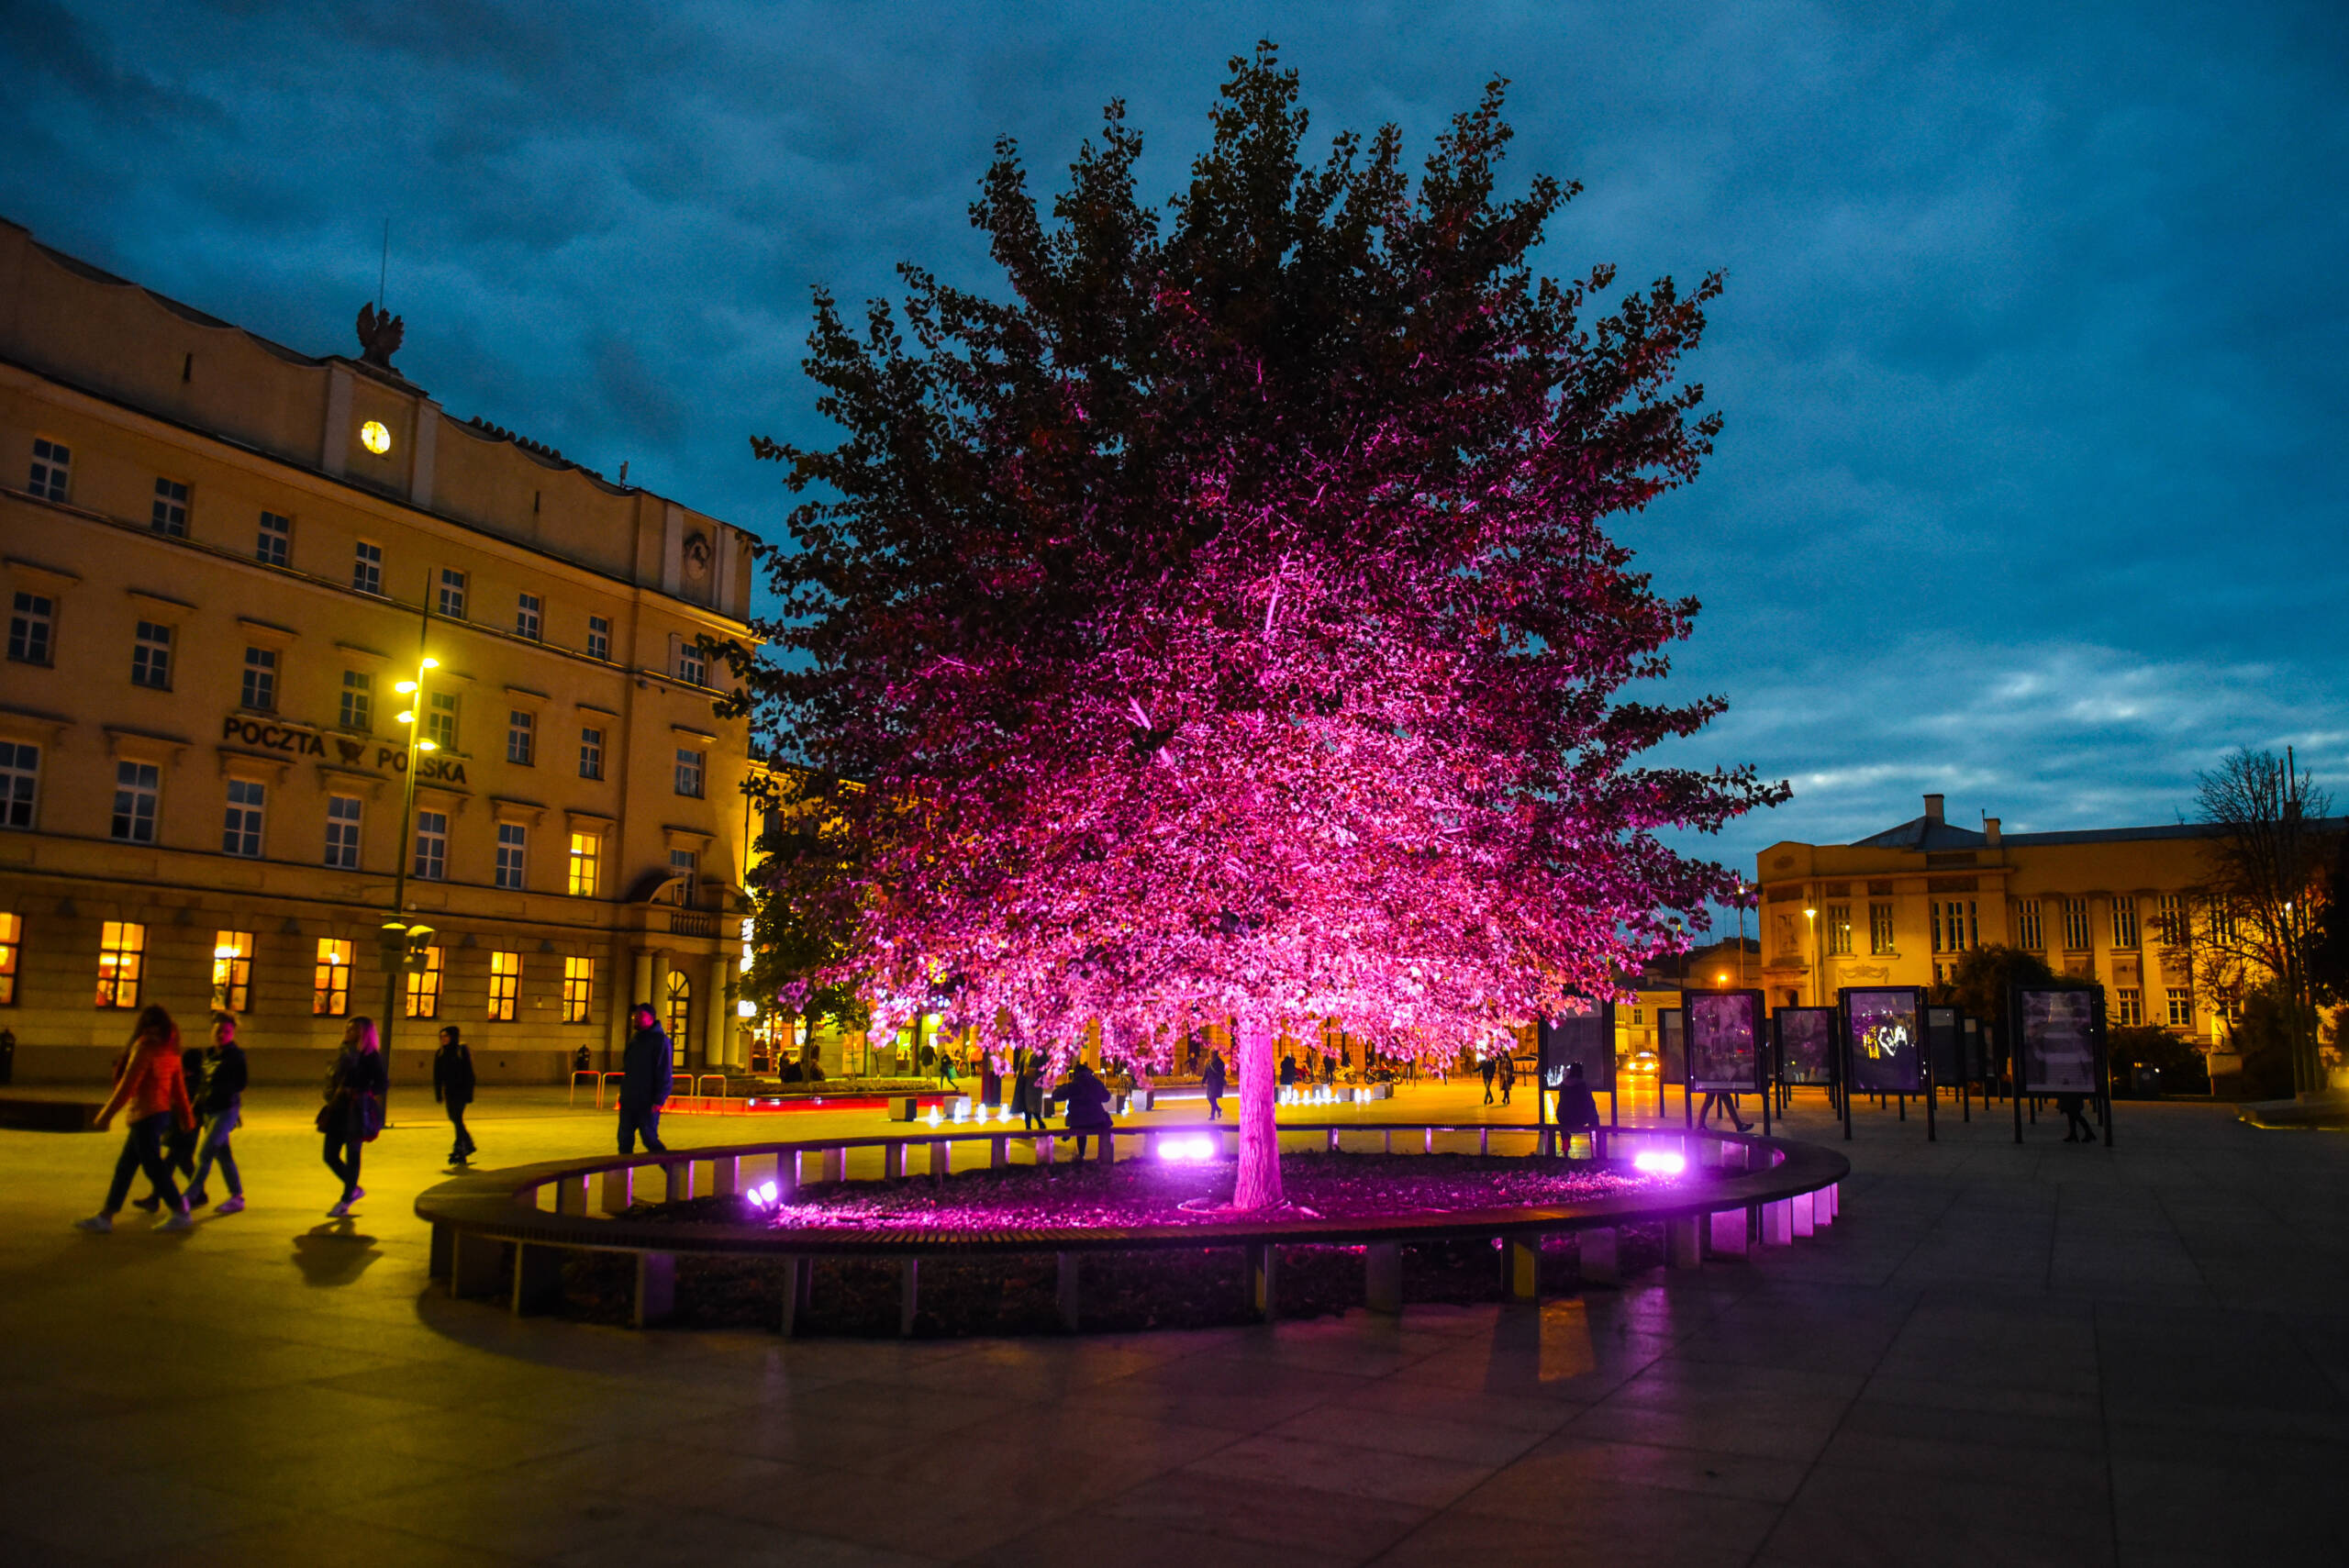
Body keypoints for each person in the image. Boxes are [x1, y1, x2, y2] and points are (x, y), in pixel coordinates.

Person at [77, 1006, 196, 1232]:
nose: (149, 1032)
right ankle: (106, 1216)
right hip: (158, 1114)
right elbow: (179, 1088)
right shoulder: (170, 1049)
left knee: (152, 1167)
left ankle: (180, 1210)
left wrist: (105, 1115)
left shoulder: (145, 1049)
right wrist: (186, 1117)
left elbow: (127, 1087)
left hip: (146, 1116)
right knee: (126, 1166)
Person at [321, 1017, 386, 1218]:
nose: (348, 1031)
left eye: (354, 1028)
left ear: (364, 1033)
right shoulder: (344, 1051)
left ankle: (346, 1199)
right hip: (338, 1105)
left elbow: (382, 1083)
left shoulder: (371, 1056)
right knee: (329, 1155)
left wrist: (365, 1094)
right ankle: (354, 1188)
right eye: (348, 1027)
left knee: (353, 1154)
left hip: (357, 1108)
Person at [185, 1012, 249, 1213]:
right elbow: (203, 1082)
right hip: (208, 1111)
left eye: (227, 1031)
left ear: (233, 1033)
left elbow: (241, 1083)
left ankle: (187, 1198)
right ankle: (237, 1197)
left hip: (226, 1110)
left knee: (206, 1153)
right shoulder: (209, 1054)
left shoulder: (236, 1056)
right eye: (219, 1030)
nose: (222, 1034)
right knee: (223, 1155)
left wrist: (223, 1090)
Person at [618, 1002, 674, 1154]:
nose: (636, 1019)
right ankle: (624, 1175)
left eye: (640, 1016)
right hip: (630, 1100)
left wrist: (659, 1099)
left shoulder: (660, 1041)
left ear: (651, 1019)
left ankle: (673, 1170)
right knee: (624, 1140)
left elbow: (664, 1071)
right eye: (635, 1016)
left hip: (647, 1102)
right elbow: (629, 1069)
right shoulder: (636, 1039)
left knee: (649, 1139)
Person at [432, 1025, 477, 1167]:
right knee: (454, 1118)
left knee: (457, 1118)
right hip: (449, 1091)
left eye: (446, 1036)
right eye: (441, 1037)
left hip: (461, 1091)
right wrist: (438, 1093)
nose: (443, 1039)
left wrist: (469, 1093)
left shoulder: (461, 1051)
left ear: (452, 1037)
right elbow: (437, 1075)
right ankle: (467, 1144)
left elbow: (469, 1073)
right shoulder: (440, 1053)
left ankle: (460, 1148)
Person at [1060, 1062, 1115, 1162]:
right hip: (1096, 1121)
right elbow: (1106, 1097)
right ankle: (1104, 1154)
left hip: (1077, 1122)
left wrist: (1065, 1088)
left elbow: (1056, 1096)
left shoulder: (1074, 1085)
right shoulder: (1096, 1083)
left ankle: (1081, 1154)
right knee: (1105, 1121)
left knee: (1080, 1124)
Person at [1555, 1062, 1601, 1152]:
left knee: (1564, 1119)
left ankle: (1565, 1146)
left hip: (1563, 1118)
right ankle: (1597, 1145)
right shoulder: (1583, 1084)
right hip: (1580, 1118)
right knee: (1594, 1116)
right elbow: (1590, 1102)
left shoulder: (1563, 1084)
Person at [1015, 1050, 1047, 1131]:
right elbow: (1021, 1066)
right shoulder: (1025, 1052)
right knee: (1026, 1106)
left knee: (1034, 1106)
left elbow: (1046, 1066)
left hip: (1035, 1083)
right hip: (1024, 1083)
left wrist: (1036, 1072)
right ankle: (1028, 1127)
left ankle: (1040, 1123)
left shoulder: (1041, 1053)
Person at [1203, 1050, 1227, 1121]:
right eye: (1210, 1053)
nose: (1210, 1055)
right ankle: (1218, 1109)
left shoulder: (1220, 1062)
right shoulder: (1208, 1062)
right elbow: (1206, 1073)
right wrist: (1203, 1081)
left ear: (1215, 1054)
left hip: (1217, 1083)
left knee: (1212, 1098)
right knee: (1210, 1098)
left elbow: (1223, 1073)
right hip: (1210, 1083)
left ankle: (1213, 1115)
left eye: (1211, 1053)